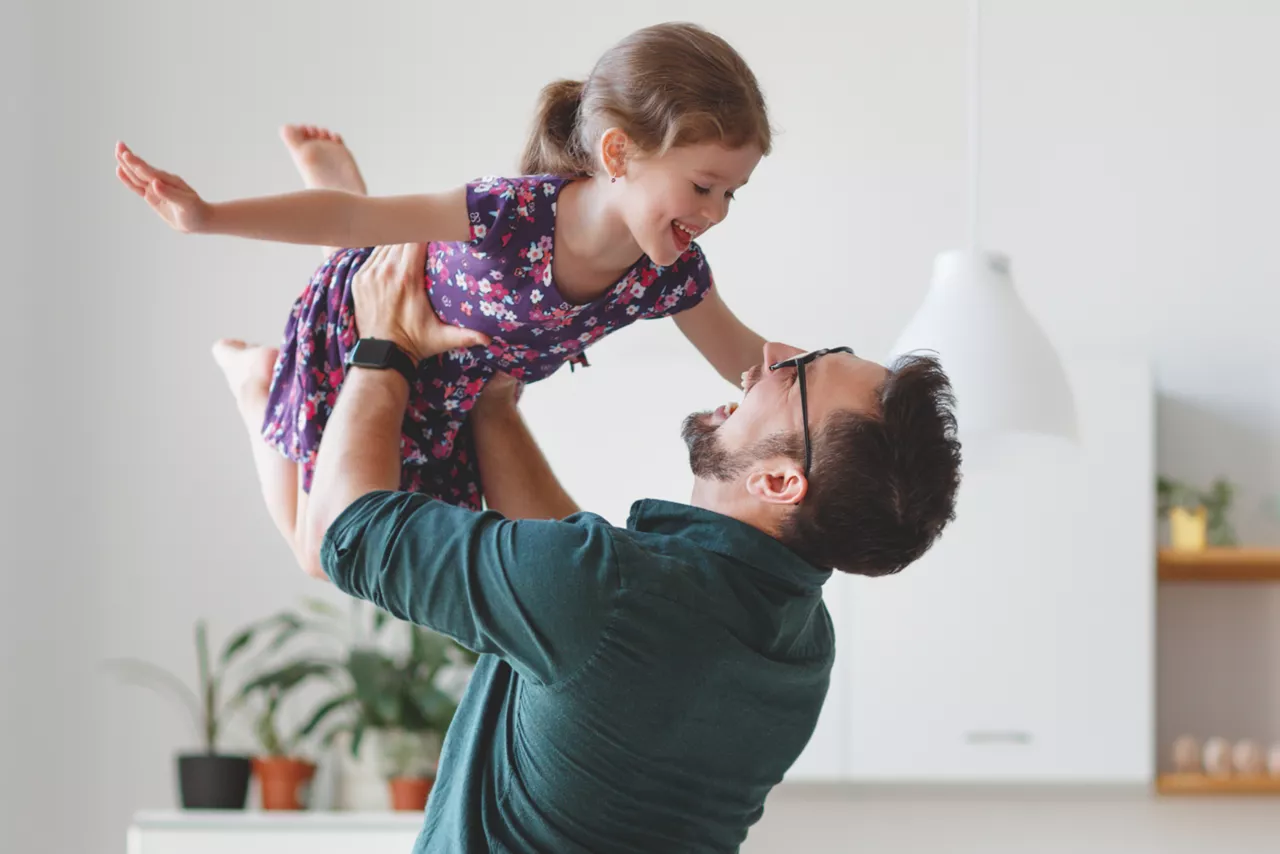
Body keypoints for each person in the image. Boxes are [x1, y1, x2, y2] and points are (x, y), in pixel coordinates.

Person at [298, 240, 962, 852]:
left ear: (781, 481)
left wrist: (386, 346)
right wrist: (492, 405)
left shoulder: (611, 595)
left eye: (796, 377)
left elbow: (344, 530)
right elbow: (586, 605)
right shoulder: (797, 645)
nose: (772, 353)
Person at [113, 22, 775, 569]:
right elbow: (347, 222)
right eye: (703, 187)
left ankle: (345, 189)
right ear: (619, 153)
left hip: (448, 399)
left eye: (731, 194)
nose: (716, 212)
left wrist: (868, 384)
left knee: (383, 549)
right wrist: (206, 216)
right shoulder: (513, 214)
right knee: (319, 556)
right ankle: (256, 381)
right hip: (363, 333)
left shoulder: (670, 276)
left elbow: (750, 357)